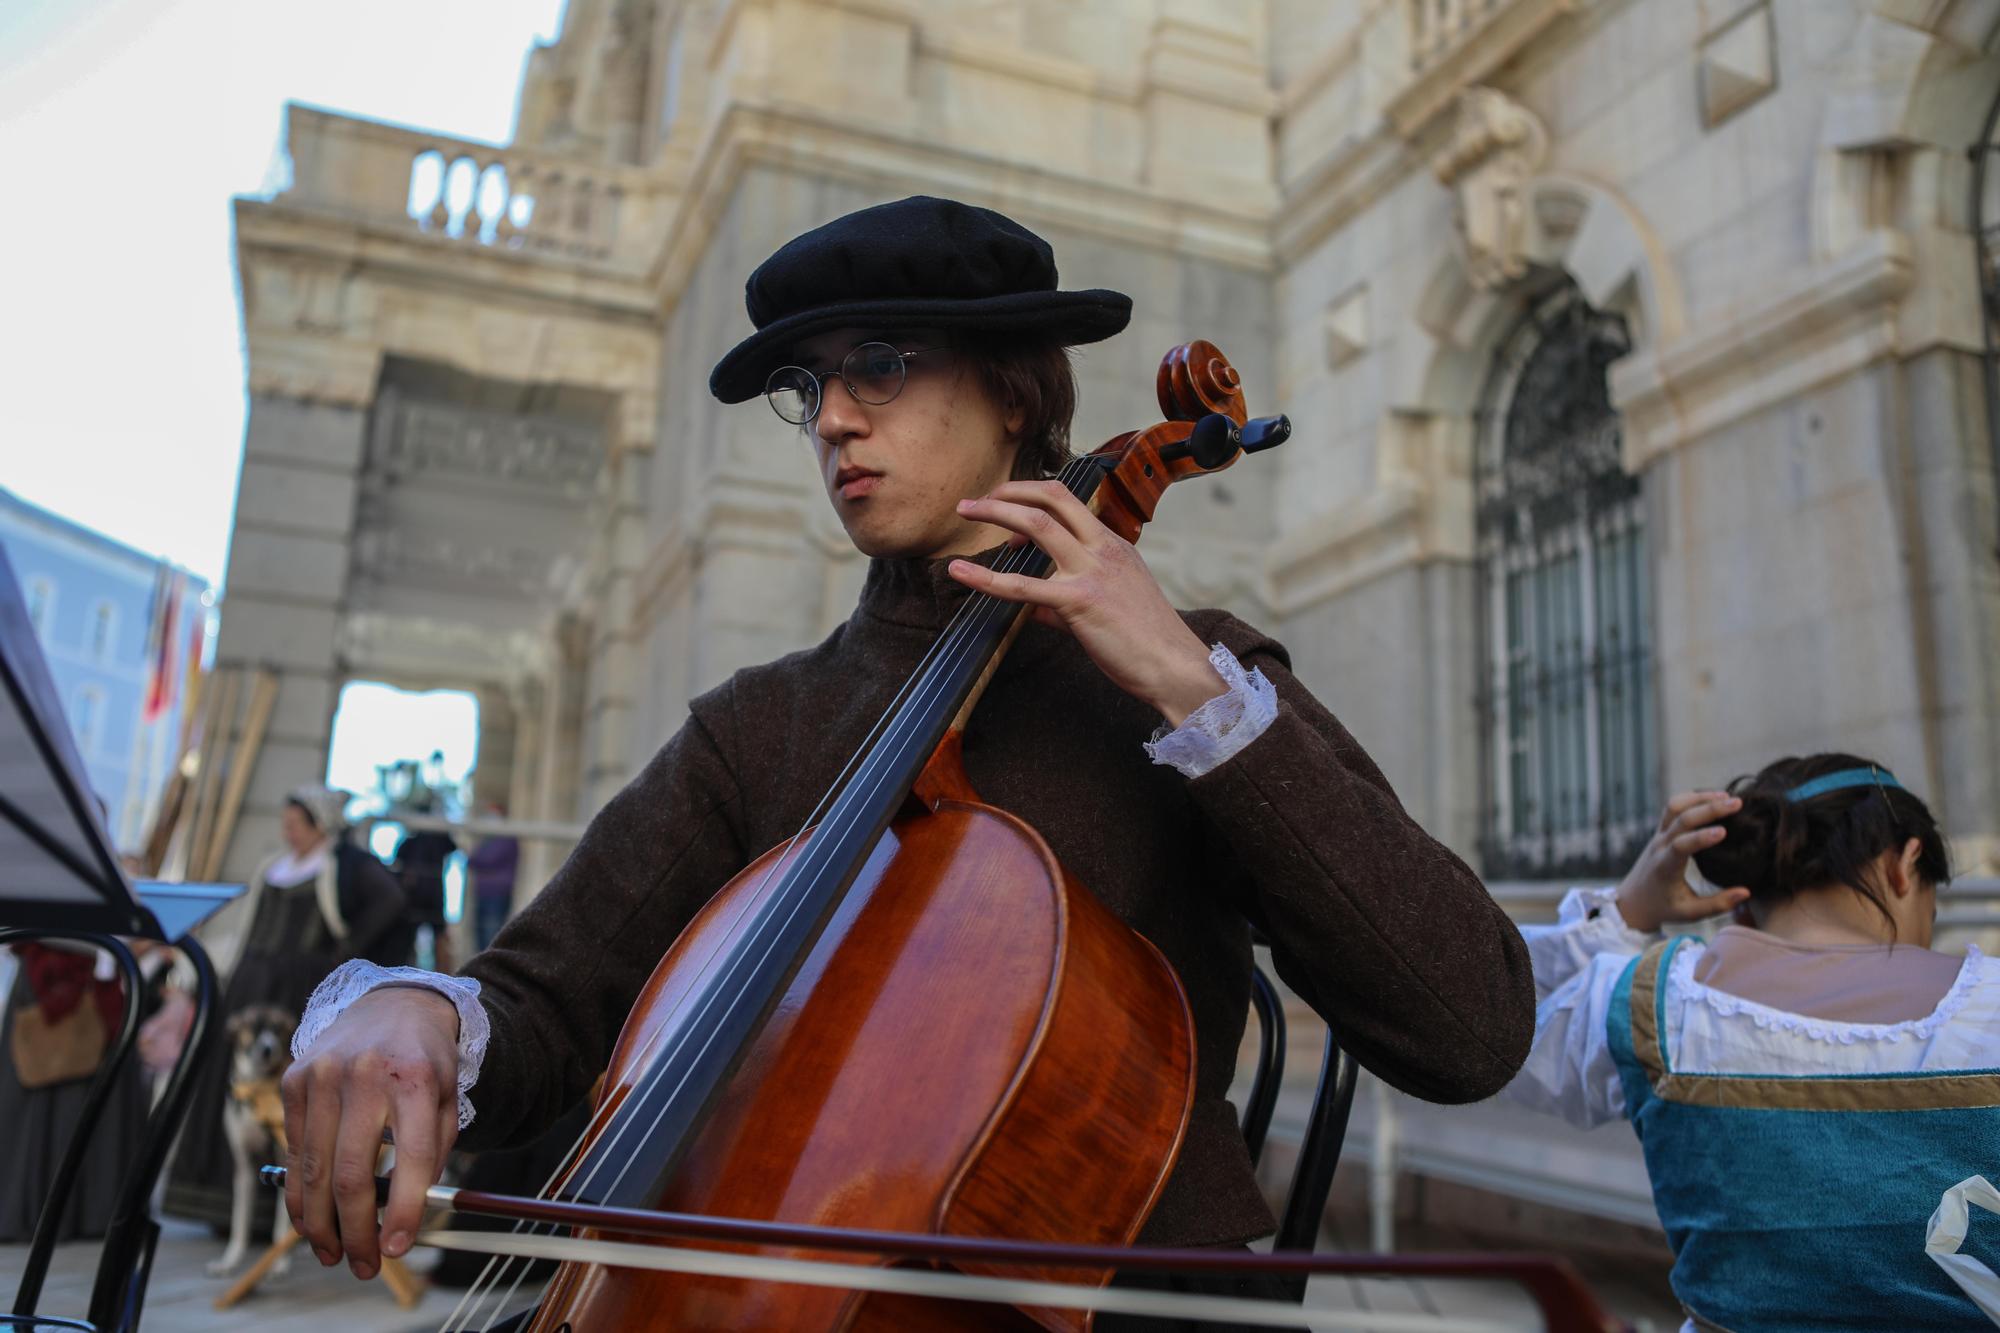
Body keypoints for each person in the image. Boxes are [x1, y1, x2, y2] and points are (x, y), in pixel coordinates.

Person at [280, 195, 1536, 1322]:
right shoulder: (760, 722)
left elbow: (1466, 1028)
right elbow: (543, 1002)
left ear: (1013, 393)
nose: (829, 417)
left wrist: (1182, 683)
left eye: (877, 364)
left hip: (1115, 1303)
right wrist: (411, 1013)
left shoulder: (1195, 674)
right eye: (807, 385)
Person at [1503, 753, 2000, 1331]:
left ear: (1741, 901)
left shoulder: (1648, 1004)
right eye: (1931, 910)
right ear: (1904, 865)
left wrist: (1626, 911)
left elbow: (1489, 1033)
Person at [163, 784, 408, 1233]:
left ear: (319, 825)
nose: (288, 831)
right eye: (286, 824)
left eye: (296, 824)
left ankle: (279, 1213)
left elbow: (391, 902)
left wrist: (345, 952)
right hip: (252, 985)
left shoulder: (343, 865)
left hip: (298, 989)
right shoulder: (272, 868)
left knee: (286, 1092)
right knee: (237, 1087)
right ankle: (223, 1209)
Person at [464, 803, 519, 953]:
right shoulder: (489, 839)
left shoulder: (505, 837)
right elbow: (473, 860)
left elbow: (484, 859)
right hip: (484, 893)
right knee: (480, 936)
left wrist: (474, 857)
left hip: (497, 895)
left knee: (490, 934)